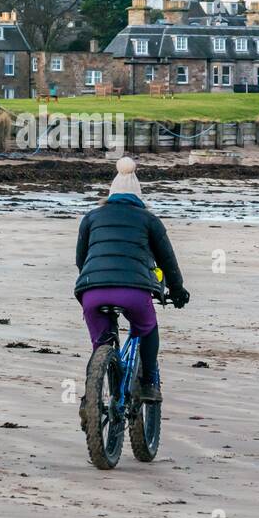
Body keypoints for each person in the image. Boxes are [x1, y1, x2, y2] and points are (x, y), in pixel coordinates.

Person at [74, 157, 189, 405]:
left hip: (92, 292)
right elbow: (167, 261)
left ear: (110, 193)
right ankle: (148, 384)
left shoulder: (91, 218)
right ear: (139, 197)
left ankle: (89, 399)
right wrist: (177, 291)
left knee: (100, 344)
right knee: (147, 328)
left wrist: (95, 282)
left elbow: (80, 260)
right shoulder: (149, 220)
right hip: (133, 293)